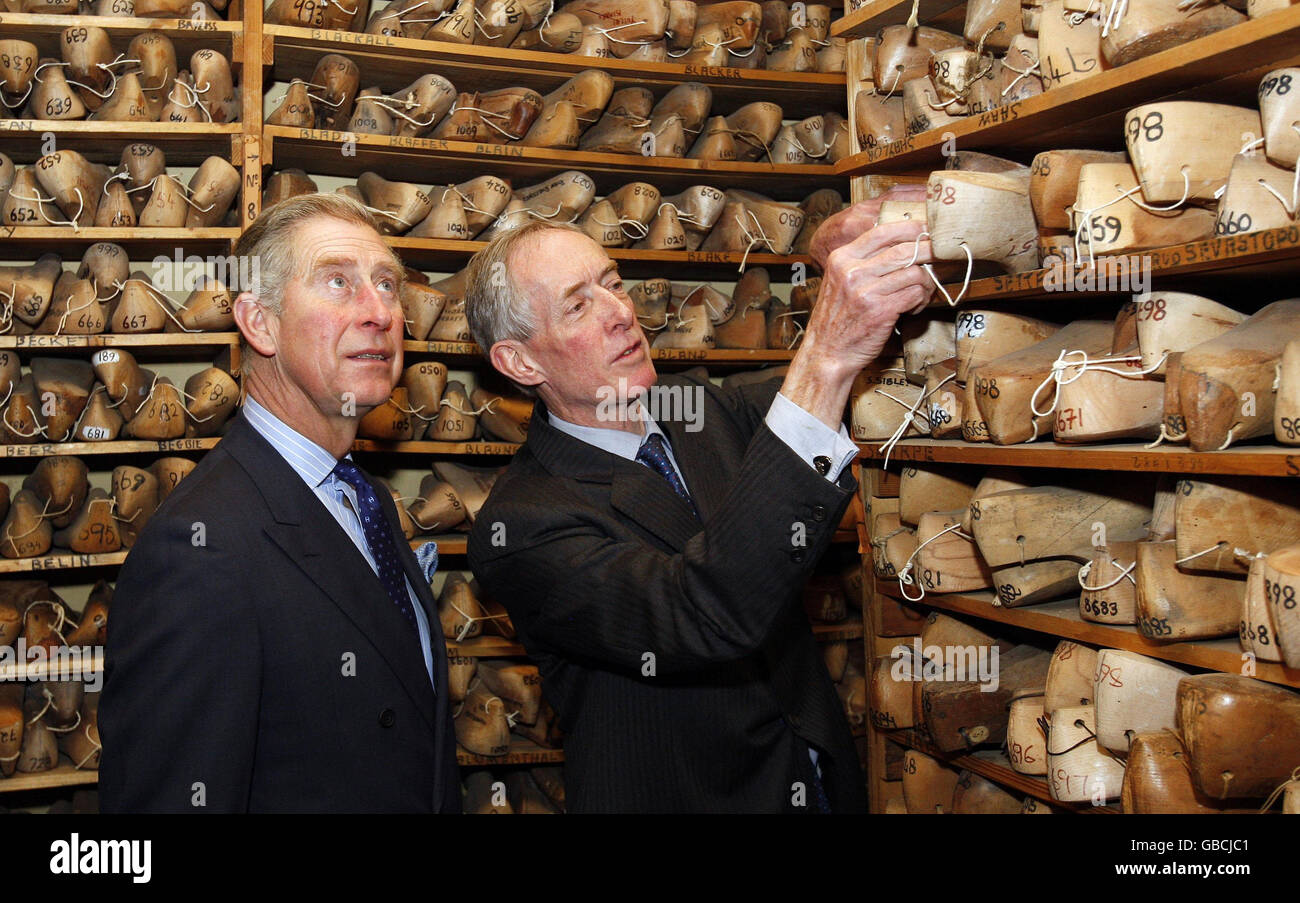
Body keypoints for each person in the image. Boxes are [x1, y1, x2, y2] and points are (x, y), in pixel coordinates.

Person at [464, 187, 935, 812]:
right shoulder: (522, 526)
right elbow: (703, 611)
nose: (620, 313)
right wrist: (826, 351)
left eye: (613, 283)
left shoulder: (699, 410)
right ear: (519, 362)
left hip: (816, 779)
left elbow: (834, 393)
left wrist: (839, 267)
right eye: (578, 307)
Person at [99, 194, 460, 813]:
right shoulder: (198, 550)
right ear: (259, 323)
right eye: (338, 282)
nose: (380, 313)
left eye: (386, 284)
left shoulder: (363, 498)